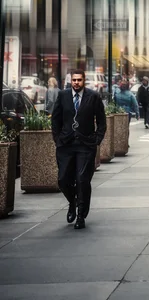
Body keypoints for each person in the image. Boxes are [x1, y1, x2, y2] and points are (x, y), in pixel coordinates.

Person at [51, 69, 106, 229]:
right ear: (71, 81)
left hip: (85, 145)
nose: (76, 83)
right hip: (66, 145)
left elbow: (101, 120)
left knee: (82, 180)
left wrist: (97, 139)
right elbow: (56, 119)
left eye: (79, 80)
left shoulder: (93, 97)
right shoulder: (63, 96)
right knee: (62, 180)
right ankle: (72, 201)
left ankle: (81, 215)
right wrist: (57, 138)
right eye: (74, 80)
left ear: (84, 81)